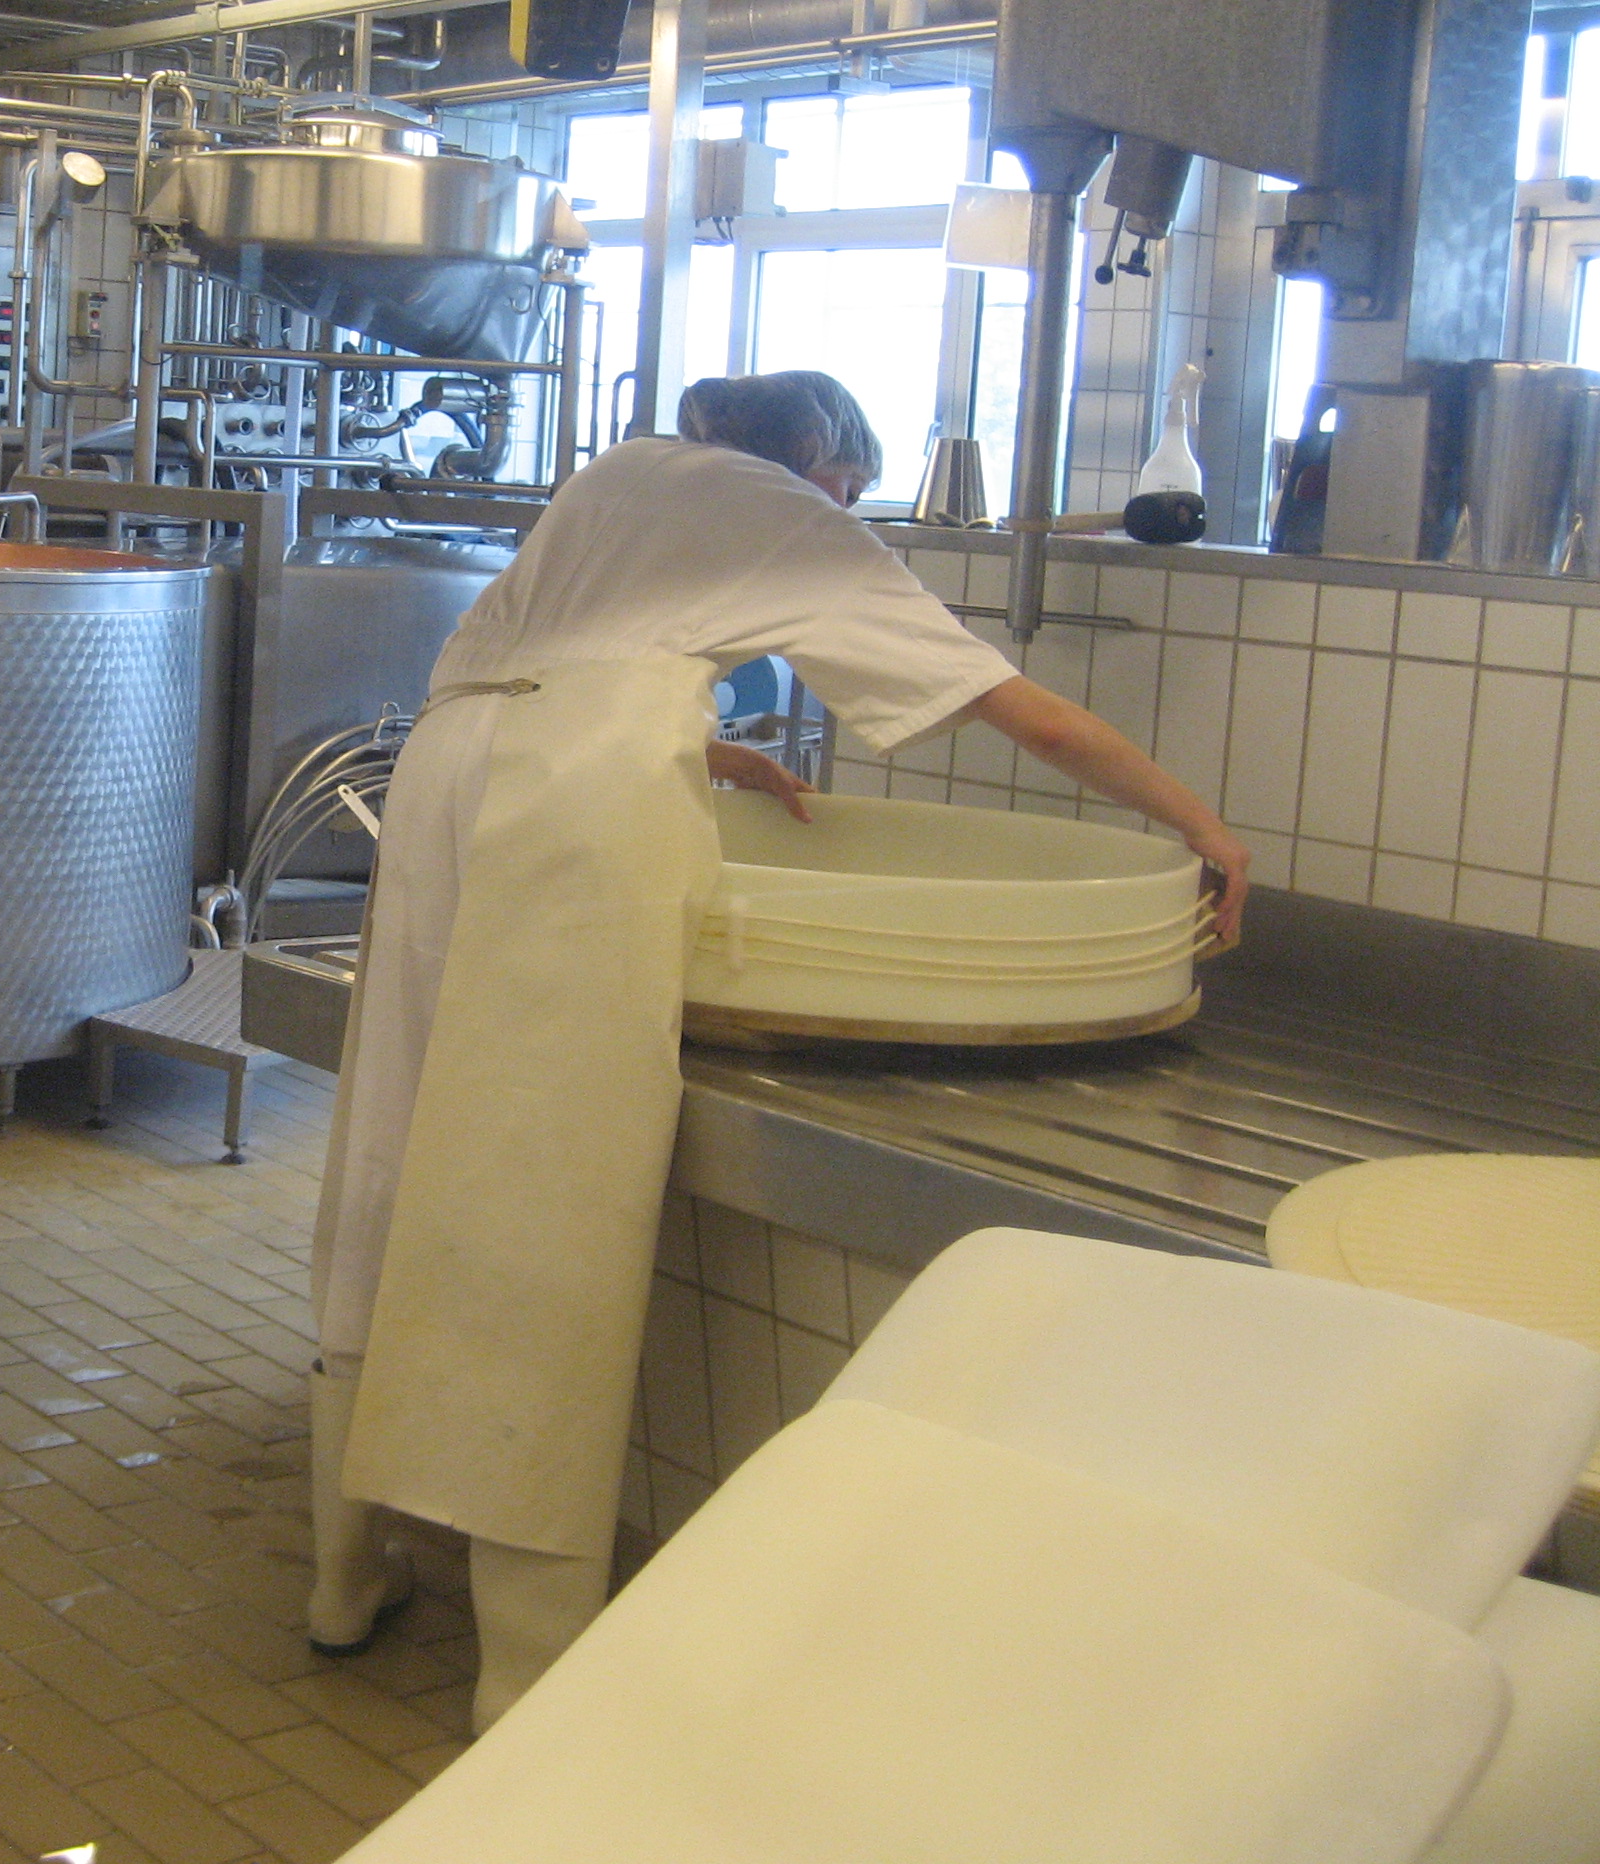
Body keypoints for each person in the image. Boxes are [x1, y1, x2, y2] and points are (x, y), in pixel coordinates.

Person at [304, 369, 1250, 1732]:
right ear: (820, 458)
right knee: (537, 1179)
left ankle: (343, 1577)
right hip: (576, 803)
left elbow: (560, 676)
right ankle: (525, 1670)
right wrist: (1197, 823)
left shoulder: (628, 468)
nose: (849, 511)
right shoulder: (796, 516)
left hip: (444, 763)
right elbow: (1027, 715)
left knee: (393, 1142)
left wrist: (709, 753)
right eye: (851, 488)